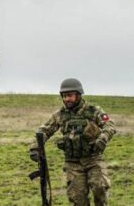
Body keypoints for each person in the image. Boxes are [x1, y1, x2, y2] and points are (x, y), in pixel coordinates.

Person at [30, 78, 116, 206]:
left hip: (93, 159)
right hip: (73, 163)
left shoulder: (93, 111)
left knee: (100, 188)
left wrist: (103, 138)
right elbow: (44, 131)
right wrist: (35, 147)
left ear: (78, 94)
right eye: (64, 96)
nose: (66, 99)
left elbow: (109, 125)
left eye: (70, 95)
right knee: (77, 198)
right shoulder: (60, 114)